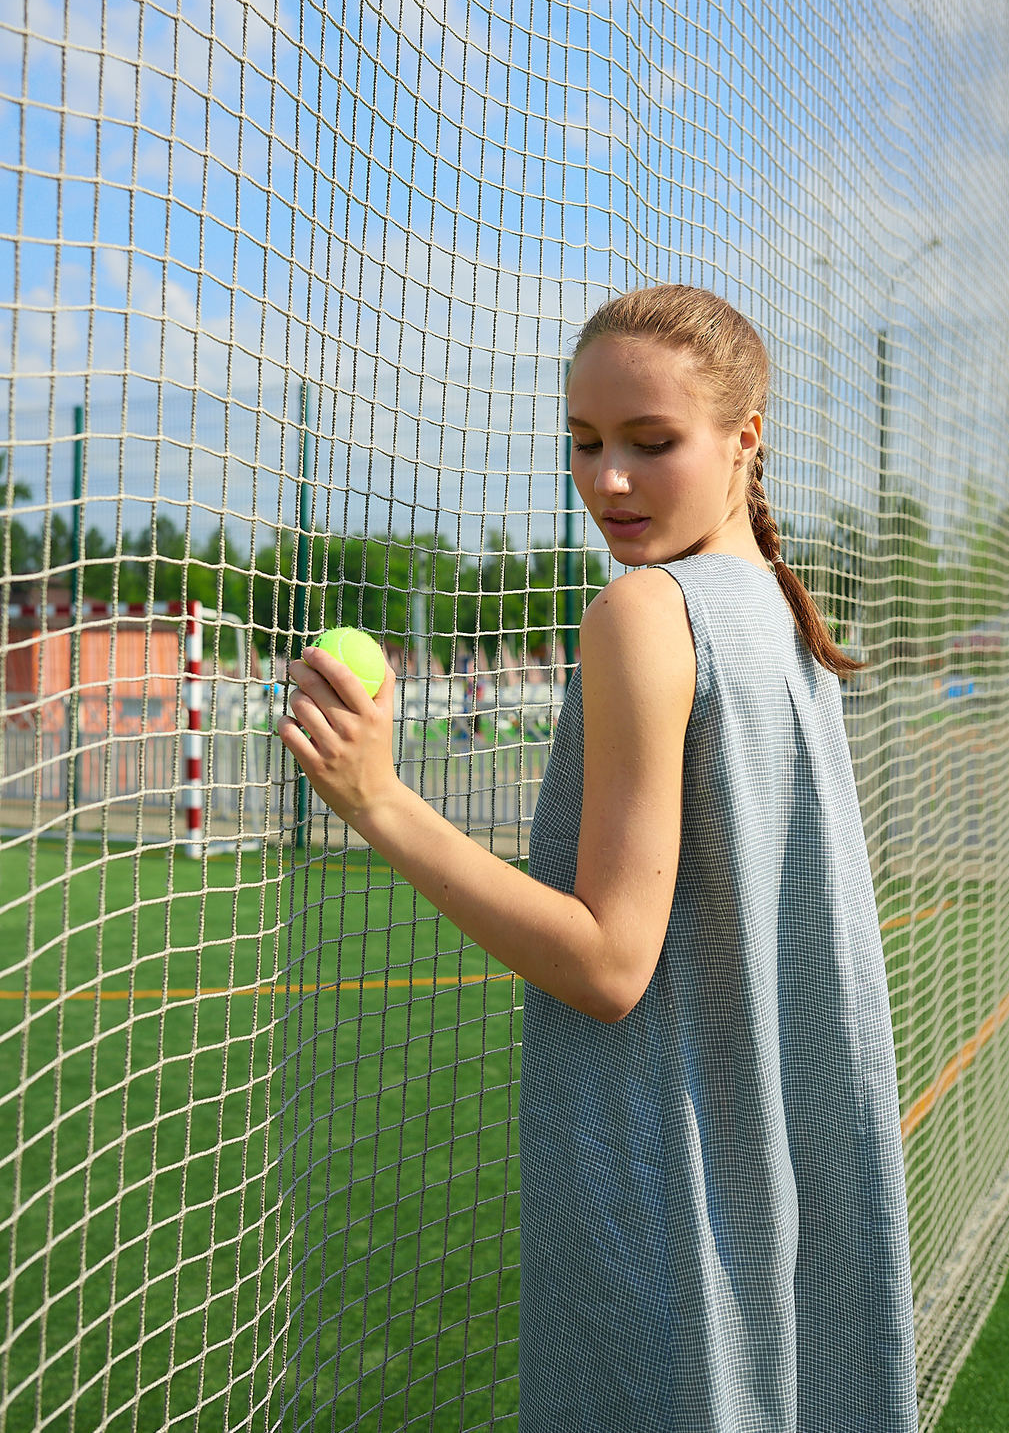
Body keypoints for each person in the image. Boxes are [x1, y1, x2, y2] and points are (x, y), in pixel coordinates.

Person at [277, 283, 919, 1432]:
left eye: (650, 442)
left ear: (744, 437)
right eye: (583, 442)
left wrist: (377, 801)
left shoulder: (643, 613)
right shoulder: (776, 603)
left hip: (668, 1200)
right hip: (773, 1194)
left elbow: (609, 965)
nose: (607, 480)